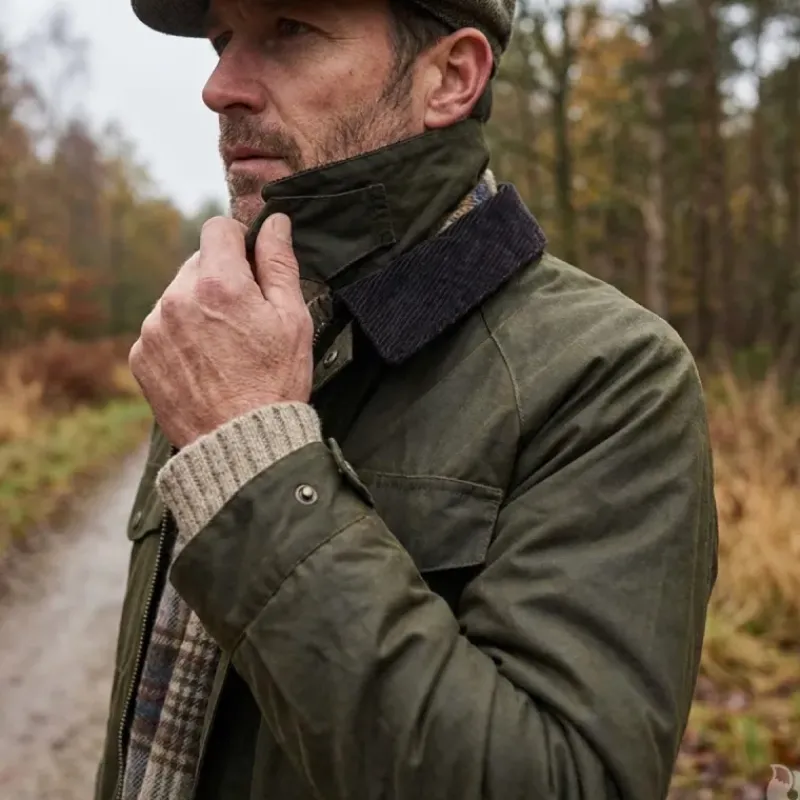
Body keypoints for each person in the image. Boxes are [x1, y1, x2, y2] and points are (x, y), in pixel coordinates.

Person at [95, 0, 719, 797]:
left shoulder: (611, 375)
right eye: (222, 40)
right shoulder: (226, 331)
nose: (220, 87)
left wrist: (253, 463)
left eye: (289, 30)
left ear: (451, 78)